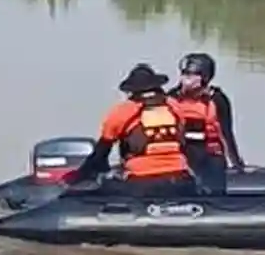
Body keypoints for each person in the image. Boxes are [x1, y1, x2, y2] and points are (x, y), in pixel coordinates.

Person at [64, 63, 199, 196]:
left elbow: (100, 154)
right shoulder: (175, 107)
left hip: (140, 183)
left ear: (132, 91)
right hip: (181, 180)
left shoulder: (122, 111)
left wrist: (78, 177)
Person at [166, 52, 246, 192]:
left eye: (190, 75)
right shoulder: (172, 97)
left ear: (204, 77)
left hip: (211, 157)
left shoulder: (217, 99)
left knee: (214, 187)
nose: (185, 78)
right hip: (183, 156)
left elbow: (226, 133)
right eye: (183, 74)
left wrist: (237, 164)